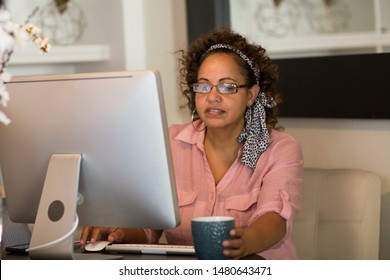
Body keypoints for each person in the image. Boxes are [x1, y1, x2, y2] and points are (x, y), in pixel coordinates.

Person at [81, 28, 303, 260]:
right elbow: (148, 229)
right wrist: (116, 233)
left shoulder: (280, 148)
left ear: (251, 95)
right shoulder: (170, 143)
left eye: (227, 86)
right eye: (204, 85)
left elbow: (275, 220)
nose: (213, 96)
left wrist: (243, 243)